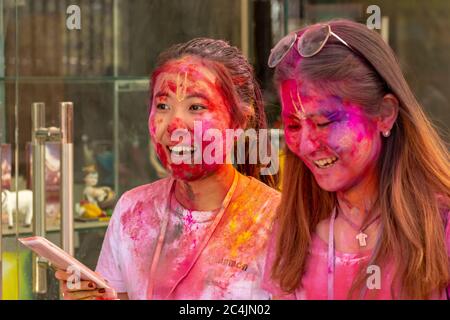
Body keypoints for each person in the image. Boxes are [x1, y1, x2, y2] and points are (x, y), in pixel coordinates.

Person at [56, 38, 280, 300]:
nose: (175, 125)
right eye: (163, 106)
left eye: (196, 107)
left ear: (240, 121)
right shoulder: (132, 211)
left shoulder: (276, 220)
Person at [262, 19, 450, 299]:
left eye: (324, 122)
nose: (305, 144)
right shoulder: (292, 232)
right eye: (292, 125)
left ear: (385, 114)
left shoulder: (441, 228)